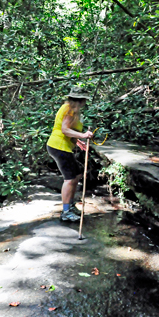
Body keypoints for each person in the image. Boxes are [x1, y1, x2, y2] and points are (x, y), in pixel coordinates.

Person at [46, 87, 94, 222]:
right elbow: (65, 129)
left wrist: (78, 141)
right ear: (81, 100)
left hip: (61, 146)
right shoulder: (69, 109)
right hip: (59, 146)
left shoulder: (72, 109)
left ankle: (70, 205)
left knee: (77, 174)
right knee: (69, 178)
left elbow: (69, 130)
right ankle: (66, 211)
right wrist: (83, 135)